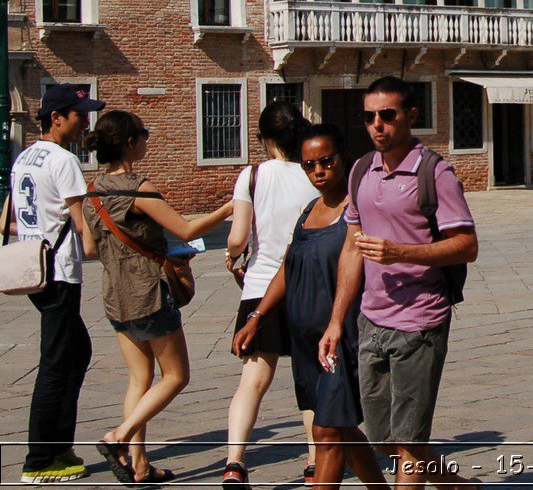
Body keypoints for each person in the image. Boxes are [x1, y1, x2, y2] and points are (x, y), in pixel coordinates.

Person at [320, 78, 478, 488]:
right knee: (383, 438)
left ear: (410, 116)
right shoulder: (360, 171)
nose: (377, 124)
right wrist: (337, 321)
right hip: (371, 320)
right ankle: (459, 486)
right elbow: (353, 249)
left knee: (408, 441)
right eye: (369, 116)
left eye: (387, 115)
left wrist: (400, 252)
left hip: (420, 322)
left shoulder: (435, 172)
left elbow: (466, 245)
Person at [232, 126, 387, 490]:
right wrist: (257, 316)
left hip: (340, 339)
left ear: (342, 158)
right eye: (309, 165)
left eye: (326, 161)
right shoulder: (308, 211)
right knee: (342, 429)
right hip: (306, 345)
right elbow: (288, 268)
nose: (319, 170)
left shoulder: (358, 207)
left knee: (326, 431)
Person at [85, 112, 233, 487]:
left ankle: (139, 466)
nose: (148, 141)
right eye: (145, 134)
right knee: (176, 376)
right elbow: (186, 227)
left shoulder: (93, 190)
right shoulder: (136, 187)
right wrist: (229, 208)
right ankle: (118, 437)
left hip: (114, 297)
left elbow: (92, 245)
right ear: (130, 142)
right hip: (148, 294)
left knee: (139, 380)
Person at [4, 84, 102, 484]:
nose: (85, 122)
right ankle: (41, 459)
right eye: (79, 115)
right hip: (59, 271)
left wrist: (34, 231)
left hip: (33, 267)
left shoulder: (24, 156)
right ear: (56, 117)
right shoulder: (64, 161)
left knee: (76, 351)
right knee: (55, 364)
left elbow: (7, 217)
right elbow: (83, 227)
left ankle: (60, 444)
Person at [221, 102, 319, 489]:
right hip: (307, 287)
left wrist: (232, 257)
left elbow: (237, 238)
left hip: (261, 288)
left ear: (266, 139)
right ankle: (314, 465)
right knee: (310, 380)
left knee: (252, 381)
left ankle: (234, 463)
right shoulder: (315, 173)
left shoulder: (253, 175)